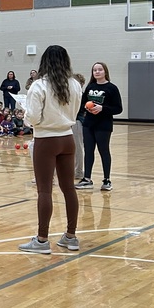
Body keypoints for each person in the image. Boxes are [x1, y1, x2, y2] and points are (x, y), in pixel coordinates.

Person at [18, 45, 82, 254]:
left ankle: (42, 240)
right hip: (67, 138)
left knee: (44, 190)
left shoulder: (39, 85)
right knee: (69, 188)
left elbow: (33, 118)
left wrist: (26, 117)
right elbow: (76, 111)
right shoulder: (75, 84)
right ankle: (71, 237)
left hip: (46, 140)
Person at [76, 63, 123, 192]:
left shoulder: (112, 88)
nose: (97, 72)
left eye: (100, 70)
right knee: (88, 151)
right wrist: (86, 107)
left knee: (104, 151)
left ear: (105, 71)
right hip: (88, 124)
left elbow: (118, 108)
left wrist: (102, 108)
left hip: (103, 125)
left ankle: (107, 180)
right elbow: (83, 103)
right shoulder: (90, 86)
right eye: (95, 70)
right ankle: (87, 179)